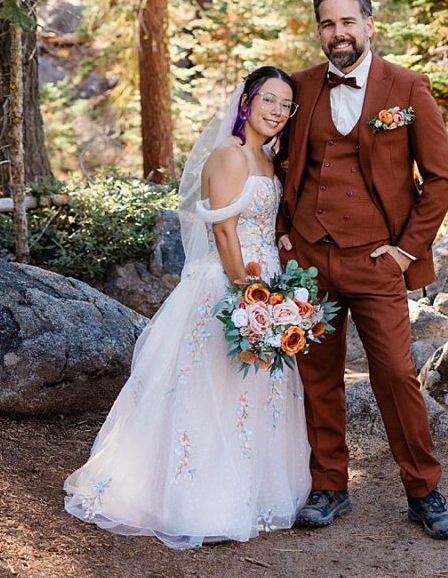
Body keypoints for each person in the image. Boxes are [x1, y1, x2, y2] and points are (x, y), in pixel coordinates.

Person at [64, 67, 310, 548]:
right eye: (270, 100)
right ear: (247, 101)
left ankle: (243, 492)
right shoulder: (230, 155)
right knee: (209, 389)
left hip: (267, 283)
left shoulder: (266, 158)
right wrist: (249, 293)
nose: (278, 112)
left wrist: (277, 289)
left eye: (286, 105)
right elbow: (222, 231)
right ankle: (188, 498)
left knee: (251, 394)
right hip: (230, 285)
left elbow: (264, 218)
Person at [278, 0, 448, 540]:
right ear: (319, 31)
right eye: (328, 24)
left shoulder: (407, 88)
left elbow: (441, 177)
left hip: (376, 262)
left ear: (369, 25)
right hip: (310, 259)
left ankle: (423, 491)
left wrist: (406, 250)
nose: (338, 34)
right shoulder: (299, 88)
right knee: (317, 377)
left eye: (348, 23)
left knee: (397, 375)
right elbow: (271, 161)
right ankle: (329, 486)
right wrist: (284, 231)